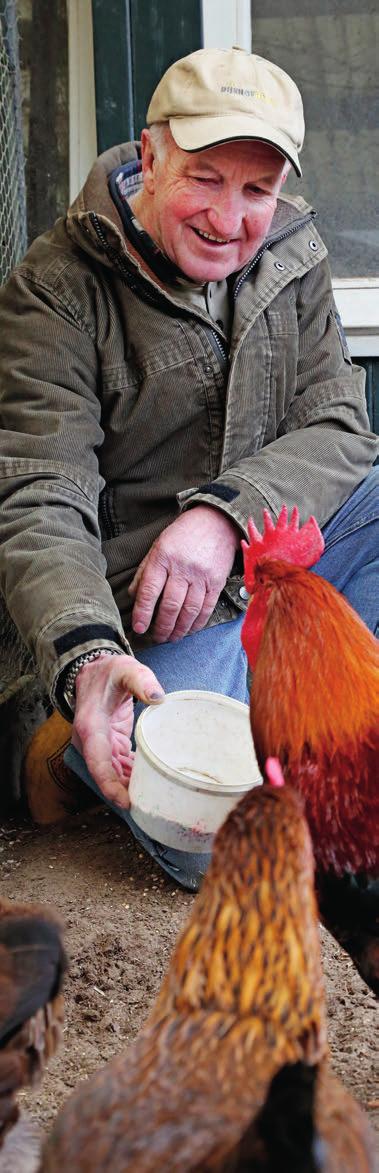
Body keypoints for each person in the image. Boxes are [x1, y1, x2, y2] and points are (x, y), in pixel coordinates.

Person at [0, 48, 378, 887]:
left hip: (267, 565)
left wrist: (223, 515)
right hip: (154, 613)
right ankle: (70, 733)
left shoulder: (291, 251)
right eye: (205, 178)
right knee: (204, 838)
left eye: (256, 190)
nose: (229, 217)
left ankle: (290, 718)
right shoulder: (57, 291)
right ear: (150, 151)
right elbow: (41, 496)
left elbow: (340, 421)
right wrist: (88, 652)